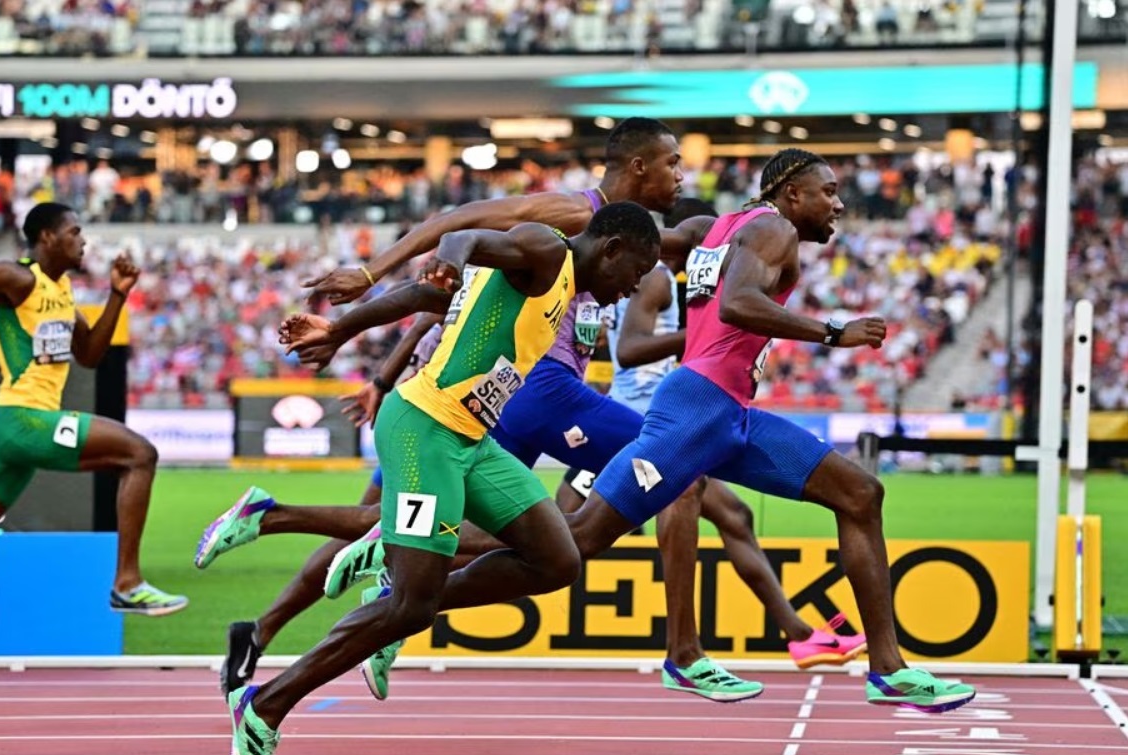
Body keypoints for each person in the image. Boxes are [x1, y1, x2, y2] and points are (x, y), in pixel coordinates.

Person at [322, 149, 976, 715]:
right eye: (827, 192)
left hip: (730, 413)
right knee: (573, 543)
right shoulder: (773, 228)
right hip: (694, 411)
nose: (837, 204)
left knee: (859, 493)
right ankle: (404, 589)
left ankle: (886, 671)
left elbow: (650, 248)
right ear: (790, 193)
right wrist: (834, 330)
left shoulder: (713, 226)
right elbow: (739, 304)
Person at [225, 202, 662, 755]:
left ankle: (390, 570)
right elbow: (465, 237)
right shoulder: (545, 249)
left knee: (558, 559)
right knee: (412, 606)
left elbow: (425, 301)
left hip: (473, 442)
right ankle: (265, 706)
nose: (632, 289)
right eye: (636, 271)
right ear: (611, 249)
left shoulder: (565, 293)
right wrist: (449, 261)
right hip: (424, 429)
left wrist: (340, 329)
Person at [0, 202, 187, 615]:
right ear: (47, 237)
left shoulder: (62, 294)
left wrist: (117, 296)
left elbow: (88, 354)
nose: (82, 241)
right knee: (140, 454)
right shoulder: (16, 278)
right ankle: (127, 582)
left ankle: (127, 583)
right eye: (74, 232)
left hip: (10, 431)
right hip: (21, 418)